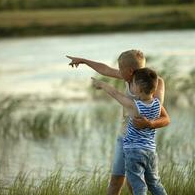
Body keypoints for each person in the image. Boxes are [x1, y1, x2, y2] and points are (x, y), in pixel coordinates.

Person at [67, 50, 169, 195]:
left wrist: (149, 124)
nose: (118, 73)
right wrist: (83, 60)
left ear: (130, 71)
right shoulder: (128, 77)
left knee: (136, 185)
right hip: (124, 139)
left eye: (121, 69)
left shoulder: (154, 83)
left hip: (140, 144)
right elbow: (105, 70)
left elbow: (162, 115)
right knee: (116, 181)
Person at [91, 67, 168, 195]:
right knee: (155, 184)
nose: (132, 86)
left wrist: (101, 84)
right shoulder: (158, 105)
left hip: (133, 152)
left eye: (134, 84)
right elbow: (159, 84)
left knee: (139, 187)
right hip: (150, 151)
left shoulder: (134, 106)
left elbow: (115, 94)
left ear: (139, 89)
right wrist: (156, 80)